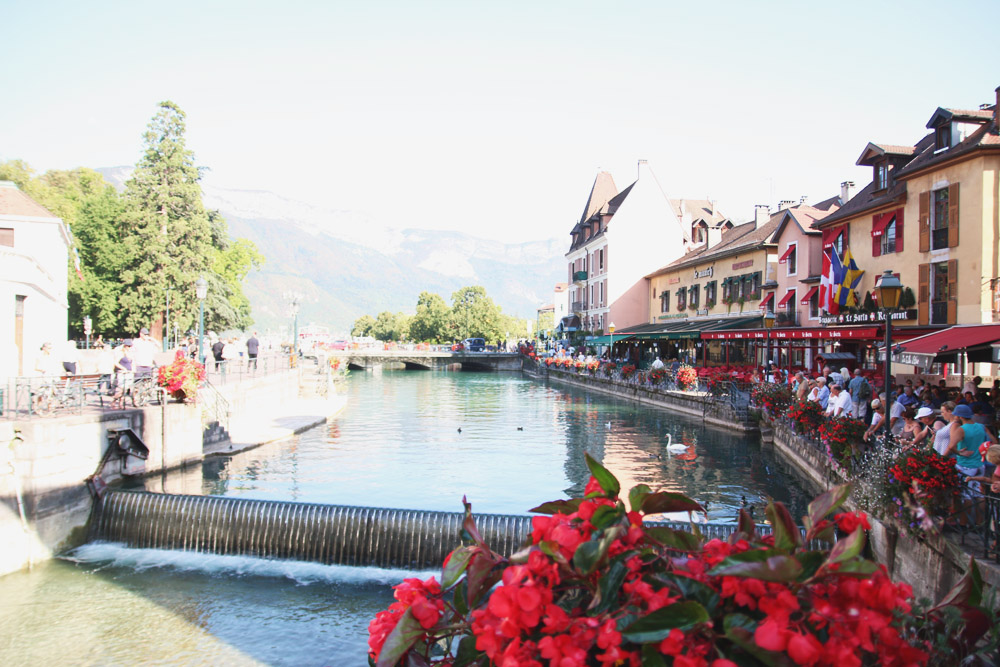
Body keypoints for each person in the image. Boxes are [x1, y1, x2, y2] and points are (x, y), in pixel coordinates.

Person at [947, 404, 996, 494]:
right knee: (980, 494)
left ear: (960, 417)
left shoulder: (961, 430)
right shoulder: (982, 427)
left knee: (967, 495)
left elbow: (950, 447)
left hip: (965, 466)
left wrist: (960, 453)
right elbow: (994, 442)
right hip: (980, 465)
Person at [110, 340, 134, 409]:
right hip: (122, 373)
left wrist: (132, 369)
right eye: (128, 346)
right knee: (122, 389)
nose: (129, 348)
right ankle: (114, 401)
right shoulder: (121, 353)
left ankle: (121, 404)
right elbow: (116, 362)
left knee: (125, 389)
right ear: (125, 346)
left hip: (129, 373)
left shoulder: (130, 354)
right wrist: (123, 368)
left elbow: (131, 362)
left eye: (130, 346)